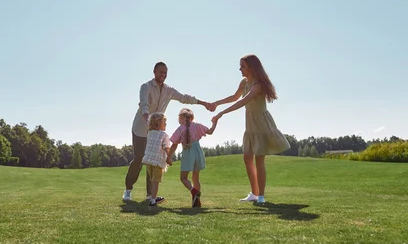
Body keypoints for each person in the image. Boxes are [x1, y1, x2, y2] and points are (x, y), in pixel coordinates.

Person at [123, 62, 215, 202]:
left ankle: (150, 195)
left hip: (156, 131)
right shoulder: (146, 87)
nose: (163, 75)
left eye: (165, 73)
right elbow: (144, 105)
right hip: (141, 129)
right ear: (154, 72)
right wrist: (149, 120)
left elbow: (185, 98)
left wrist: (204, 103)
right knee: (139, 159)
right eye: (161, 72)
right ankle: (128, 191)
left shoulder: (169, 90)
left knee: (153, 161)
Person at [211, 55, 290, 204]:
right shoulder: (244, 82)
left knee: (259, 159)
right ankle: (254, 193)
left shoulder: (258, 84)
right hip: (250, 125)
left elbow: (243, 101)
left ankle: (261, 196)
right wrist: (217, 103)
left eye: (242, 66)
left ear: (251, 67)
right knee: (247, 158)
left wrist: (222, 113)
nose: (240, 69)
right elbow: (235, 97)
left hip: (261, 124)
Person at [167, 108, 217, 208]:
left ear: (181, 118)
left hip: (187, 151)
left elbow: (174, 145)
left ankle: (193, 191)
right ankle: (197, 202)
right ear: (192, 118)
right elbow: (210, 131)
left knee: (183, 178)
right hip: (198, 151)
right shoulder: (197, 126)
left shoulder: (180, 129)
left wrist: (169, 157)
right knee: (196, 178)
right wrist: (214, 122)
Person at [141, 113, 171, 206]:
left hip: (148, 160)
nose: (166, 124)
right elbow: (166, 147)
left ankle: (152, 196)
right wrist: (169, 158)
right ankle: (153, 200)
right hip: (158, 161)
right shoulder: (164, 135)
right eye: (164, 122)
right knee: (156, 181)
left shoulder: (149, 133)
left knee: (152, 180)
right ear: (158, 123)